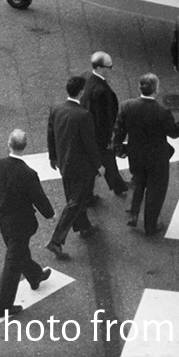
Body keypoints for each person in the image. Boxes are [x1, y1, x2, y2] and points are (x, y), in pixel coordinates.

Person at [0, 130, 54, 320]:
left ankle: (35, 275)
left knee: (19, 253)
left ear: (9, 143)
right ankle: (2, 307)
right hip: (21, 224)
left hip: (4, 221)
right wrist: (50, 215)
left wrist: (1, 208)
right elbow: (38, 198)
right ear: (25, 146)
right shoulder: (28, 173)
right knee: (12, 264)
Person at [111, 73, 179, 235]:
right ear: (156, 89)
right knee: (155, 191)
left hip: (135, 153)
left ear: (139, 88)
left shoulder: (127, 106)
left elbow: (119, 129)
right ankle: (151, 226)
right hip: (157, 157)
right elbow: (174, 132)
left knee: (137, 180)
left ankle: (133, 212)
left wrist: (118, 147)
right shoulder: (162, 112)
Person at [45, 74, 102, 259]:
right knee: (75, 201)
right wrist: (98, 165)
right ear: (81, 92)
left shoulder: (56, 108)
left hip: (64, 163)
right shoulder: (84, 115)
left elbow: (51, 133)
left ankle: (84, 226)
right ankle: (56, 241)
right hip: (81, 166)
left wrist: (53, 157)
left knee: (74, 197)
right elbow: (90, 144)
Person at [80, 51, 128, 202]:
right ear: (101, 68)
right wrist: (109, 139)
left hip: (87, 129)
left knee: (106, 161)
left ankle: (118, 186)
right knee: (99, 162)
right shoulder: (103, 91)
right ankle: (88, 197)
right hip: (99, 136)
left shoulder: (86, 77)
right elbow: (106, 119)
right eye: (109, 67)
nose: (111, 70)